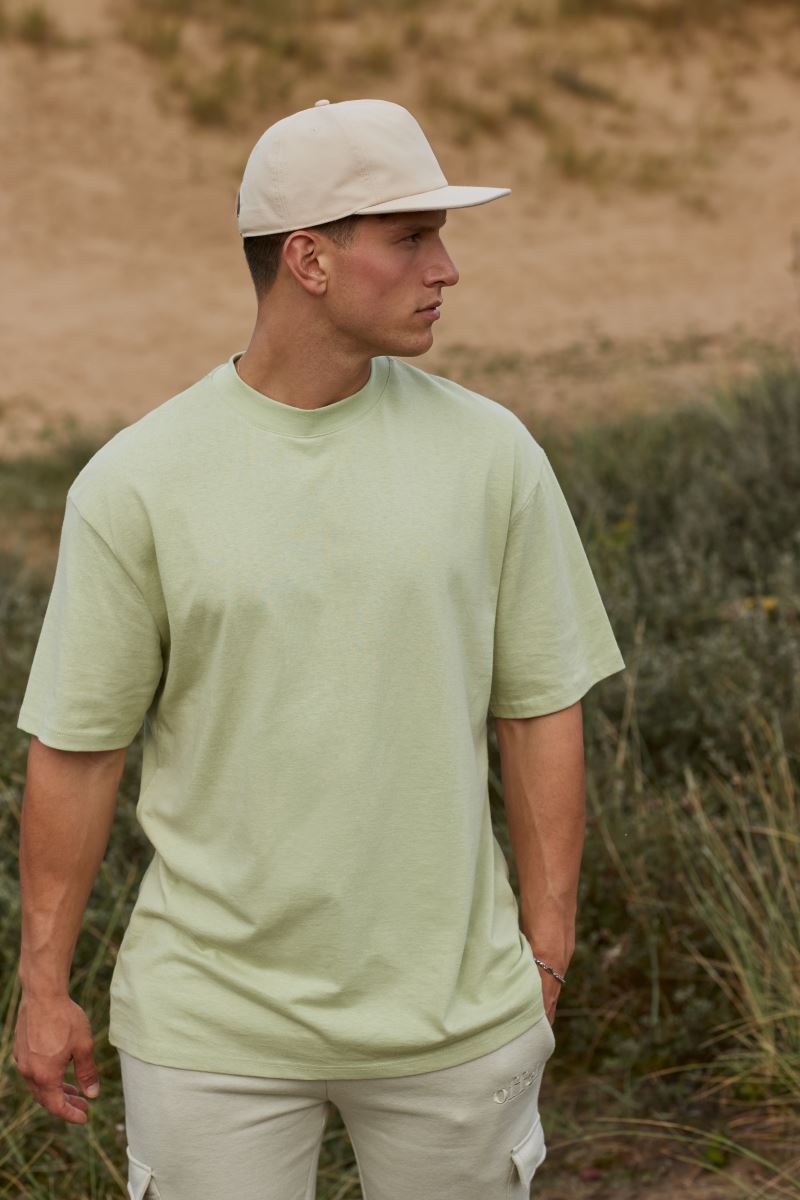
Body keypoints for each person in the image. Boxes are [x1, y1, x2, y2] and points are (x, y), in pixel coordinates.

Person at [13, 98, 625, 1199]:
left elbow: (538, 706)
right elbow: (80, 748)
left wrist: (546, 951)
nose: (445, 269)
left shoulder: (492, 454)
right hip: (211, 1031)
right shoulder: (137, 483)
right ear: (308, 259)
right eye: (410, 238)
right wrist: (43, 985)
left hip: (457, 1020)